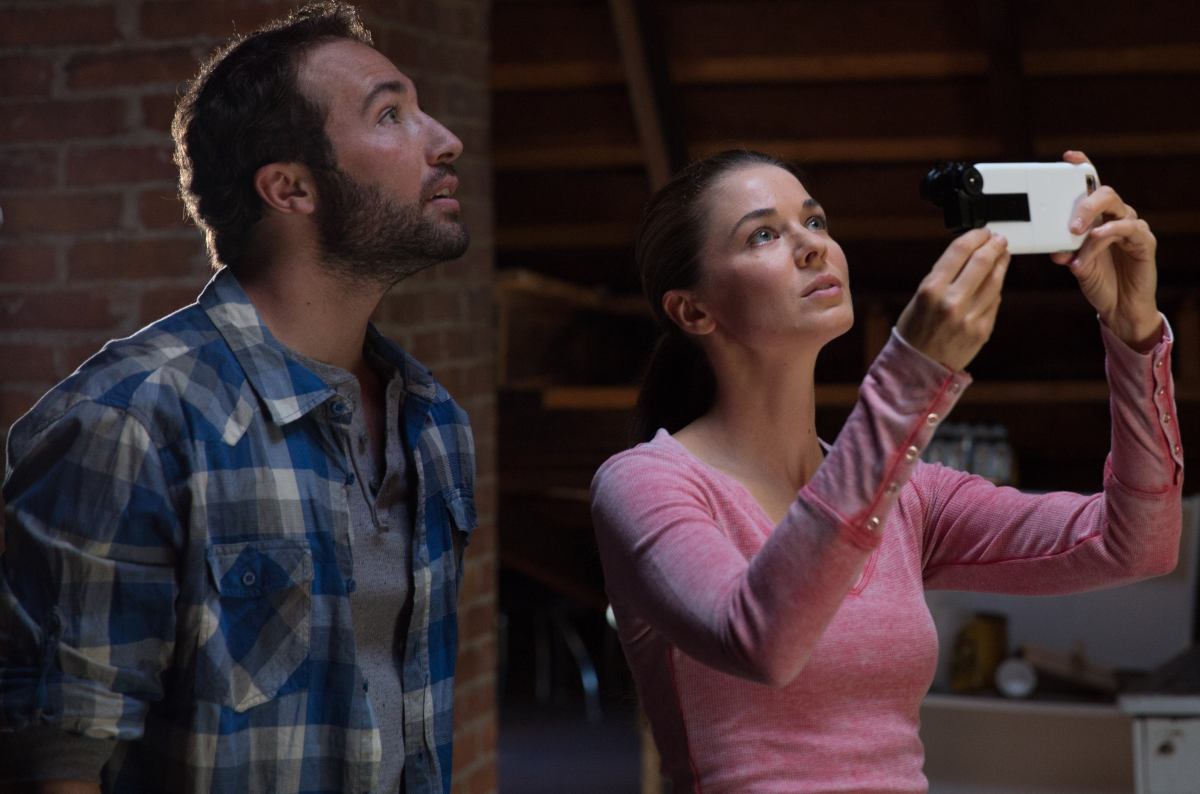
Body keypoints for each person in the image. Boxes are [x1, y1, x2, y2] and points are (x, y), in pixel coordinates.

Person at [589, 148, 1183, 791]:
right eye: (763, 235)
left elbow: (1137, 544)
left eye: (814, 222)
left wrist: (1134, 335)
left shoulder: (910, 495)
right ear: (693, 311)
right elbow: (759, 639)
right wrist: (910, 377)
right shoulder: (644, 484)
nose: (812, 246)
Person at [0, 3, 477, 792]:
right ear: (290, 188)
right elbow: (59, 763)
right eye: (390, 115)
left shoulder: (434, 423)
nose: (444, 139)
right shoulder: (130, 421)